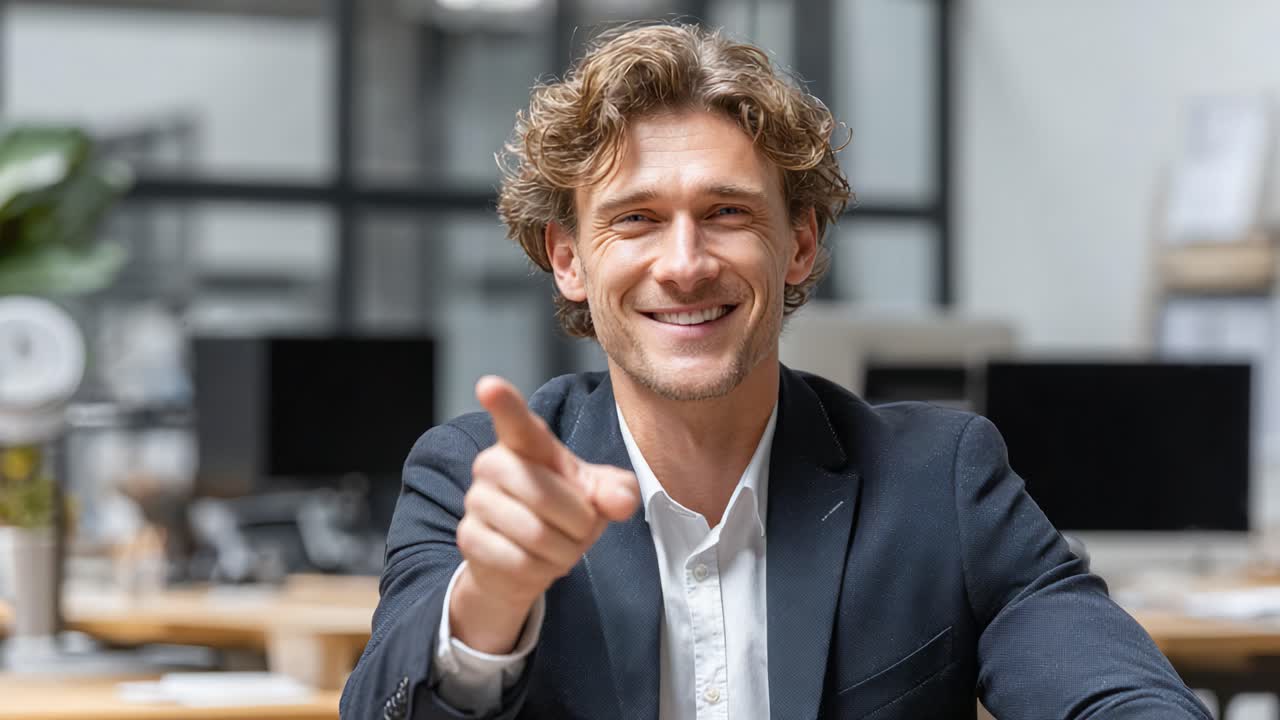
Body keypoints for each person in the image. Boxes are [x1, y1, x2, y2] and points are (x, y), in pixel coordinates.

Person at [341, 22, 1209, 720]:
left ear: (798, 245)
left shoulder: (938, 481)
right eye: (635, 219)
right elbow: (383, 704)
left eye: (726, 213)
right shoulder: (473, 478)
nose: (684, 264)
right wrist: (492, 597)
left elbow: (1111, 687)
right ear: (568, 258)